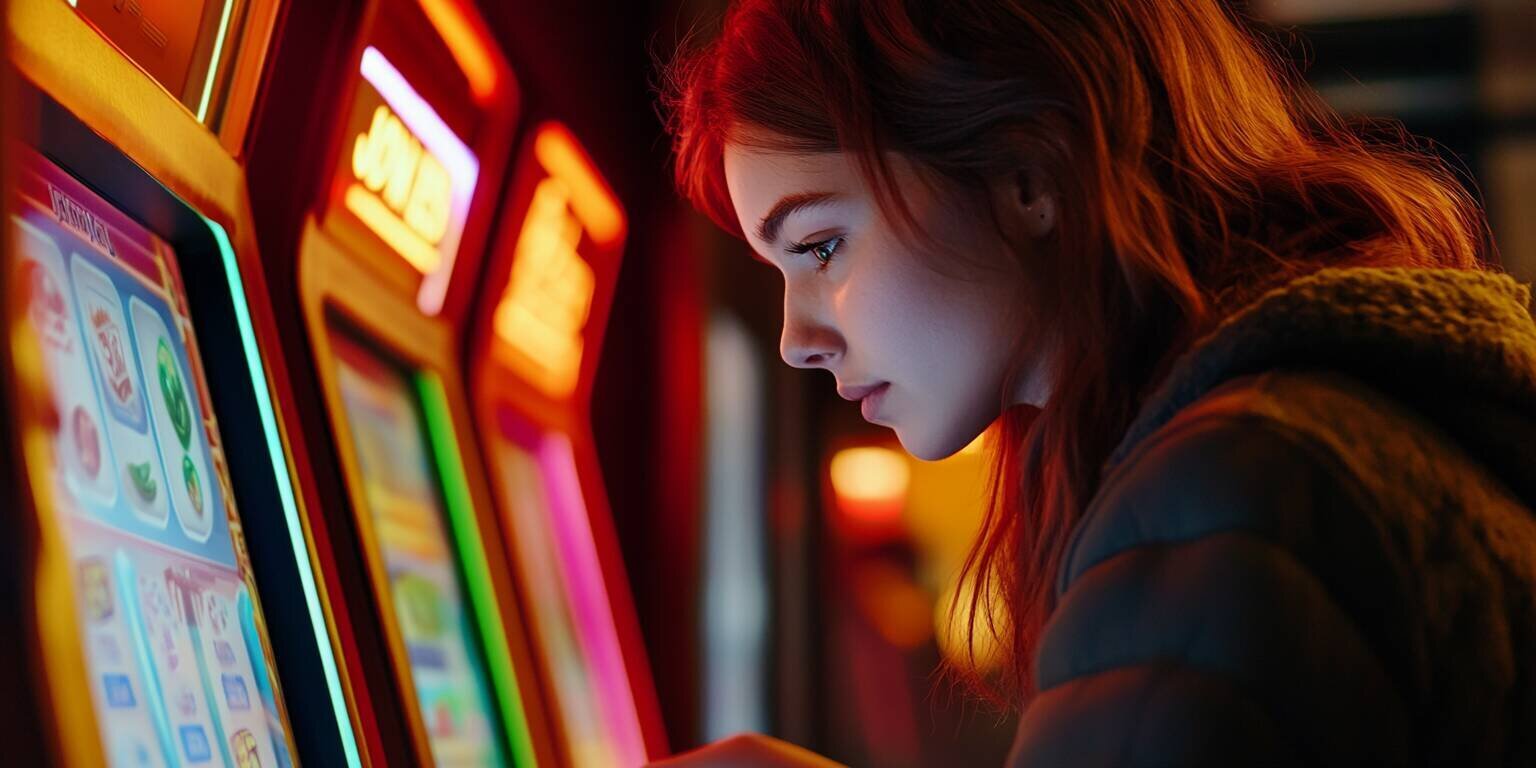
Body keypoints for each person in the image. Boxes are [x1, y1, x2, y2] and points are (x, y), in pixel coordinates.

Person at [651, 0, 1536, 765]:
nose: (795, 340)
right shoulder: (1303, 424)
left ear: (1027, 175)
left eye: (819, 247)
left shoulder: (1232, 490)